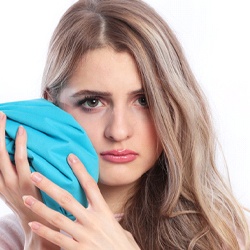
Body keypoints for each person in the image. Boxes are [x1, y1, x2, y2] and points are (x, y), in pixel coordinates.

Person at [0, 0, 249, 249]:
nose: (118, 131)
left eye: (143, 100)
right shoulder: (9, 238)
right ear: (50, 106)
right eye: (93, 102)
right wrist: (40, 236)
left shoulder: (224, 234)